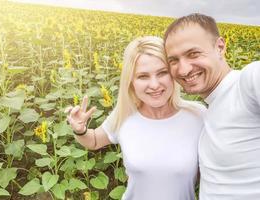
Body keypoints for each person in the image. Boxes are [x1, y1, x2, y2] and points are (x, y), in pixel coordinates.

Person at [66, 36, 205, 200]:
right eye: (143, 76)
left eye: (162, 73)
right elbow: (94, 140)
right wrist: (80, 130)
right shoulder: (125, 114)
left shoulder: (198, 115)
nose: (154, 85)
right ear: (131, 81)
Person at [164, 13, 260, 200]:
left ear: (220, 47)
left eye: (193, 54)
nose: (183, 69)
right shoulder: (208, 110)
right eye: (173, 60)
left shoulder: (247, 82)